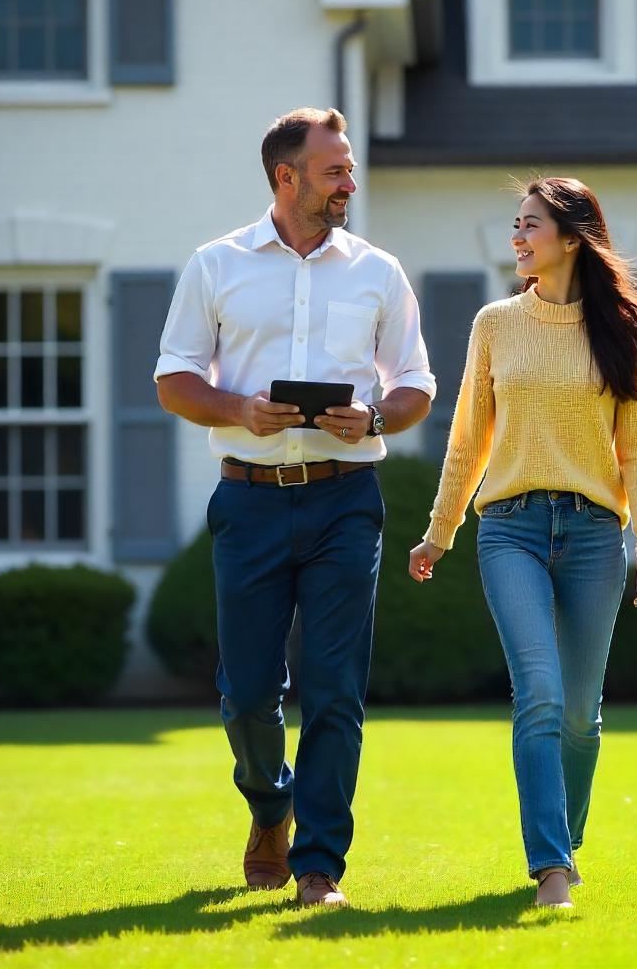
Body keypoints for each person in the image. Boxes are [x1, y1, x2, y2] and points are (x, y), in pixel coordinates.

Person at [156, 107, 435, 908]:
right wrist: (238, 409)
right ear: (287, 177)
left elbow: (416, 384)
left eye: (348, 167)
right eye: (335, 169)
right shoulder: (216, 265)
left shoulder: (378, 271)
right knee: (246, 692)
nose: (350, 180)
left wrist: (375, 417)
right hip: (247, 501)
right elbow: (174, 381)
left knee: (336, 688)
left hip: (348, 501)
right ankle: (268, 802)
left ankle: (319, 867)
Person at [408, 177, 637, 909]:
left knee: (582, 716)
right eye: (515, 225)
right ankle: (551, 867)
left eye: (530, 225)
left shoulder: (625, 331)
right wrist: (439, 533)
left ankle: (566, 839)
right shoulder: (495, 324)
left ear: (572, 236)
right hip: (511, 530)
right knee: (540, 695)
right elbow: (467, 442)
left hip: (593, 535)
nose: (517, 237)